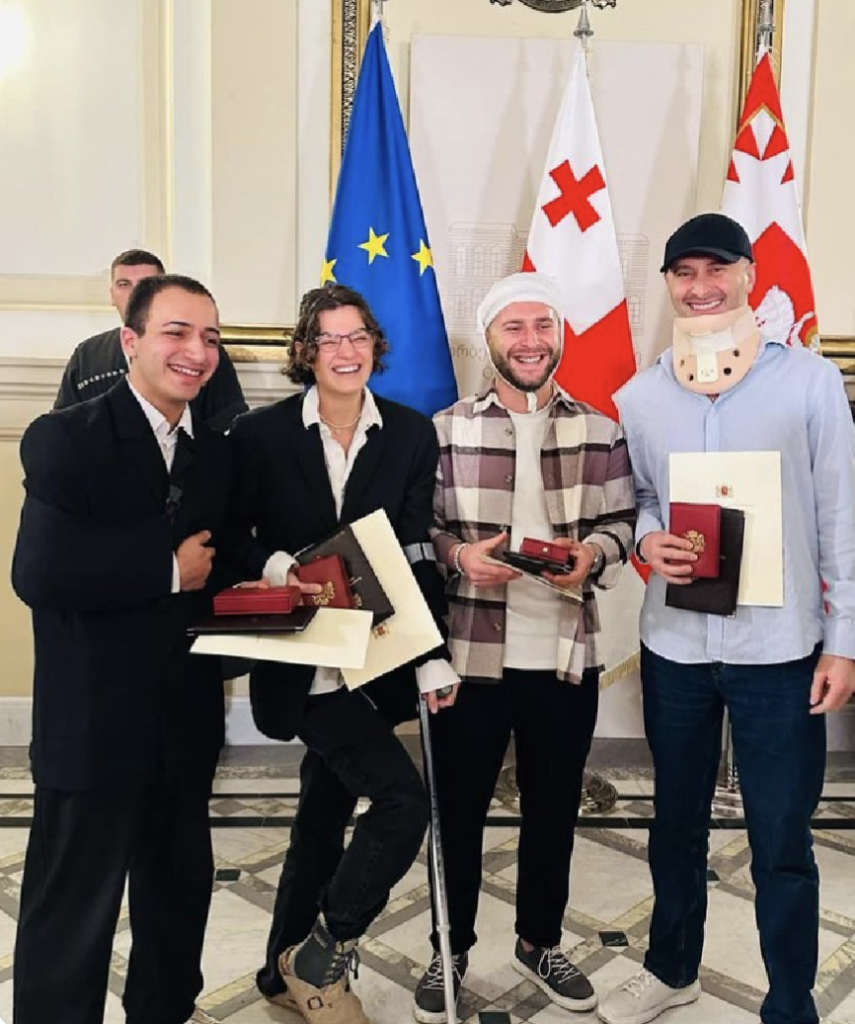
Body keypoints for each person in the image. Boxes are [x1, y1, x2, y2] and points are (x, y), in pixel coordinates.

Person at [598, 213, 855, 1024]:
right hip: (674, 644)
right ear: (669, 284)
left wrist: (843, 643)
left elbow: (840, 516)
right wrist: (647, 543)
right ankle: (671, 967)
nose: (701, 287)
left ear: (748, 274)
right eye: (684, 273)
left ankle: (788, 1001)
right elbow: (638, 500)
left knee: (781, 836)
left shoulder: (808, 383)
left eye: (717, 270)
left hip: (776, 652)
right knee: (674, 822)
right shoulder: (640, 396)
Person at [12, 274, 244, 1024]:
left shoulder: (215, 454)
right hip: (91, 724)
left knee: (177, 901)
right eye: (178, 332)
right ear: (132, 340)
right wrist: (166, 568)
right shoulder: (66, 437)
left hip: (184, 723)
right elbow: (40, 573)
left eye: (210, 337)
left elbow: (228, 571)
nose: (197, 351)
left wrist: (296, 589)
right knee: (72, 910)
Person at [229, 283, 460, 1024]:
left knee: (320, 818)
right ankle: (323, 953)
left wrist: (430, 656)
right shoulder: (259, 436)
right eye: (329, 339)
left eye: (357, 336)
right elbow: (233, 536)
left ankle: (279, 973)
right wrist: (276, 571)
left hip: (379, 659)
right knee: (401, 802)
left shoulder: (410, 433)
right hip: (301, 664)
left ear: (374, 345)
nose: (346, 351)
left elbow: (419, 549)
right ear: (305, 352)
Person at [415, 272, 637, 1023]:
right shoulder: (444, 430)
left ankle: (539, 940)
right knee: (457, 814)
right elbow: (427, 528)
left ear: (560, 335)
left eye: (542, 325)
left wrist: (596, 557)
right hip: (470, 657)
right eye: (514, 328)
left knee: (552, 811)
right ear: (489, 341)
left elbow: (621, 524)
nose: (530, 341)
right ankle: (448, 949)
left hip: (565, 656)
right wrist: (456, 559)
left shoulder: (601, 429)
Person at [54, 248, 247, 430]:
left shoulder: (205, 354)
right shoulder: (88, 354)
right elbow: (65, 425)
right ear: (112, 294)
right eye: (124, 285)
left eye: (146, 284)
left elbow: (229, 419)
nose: (134, 294)